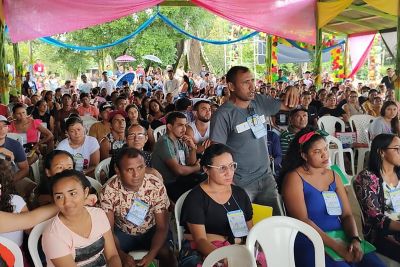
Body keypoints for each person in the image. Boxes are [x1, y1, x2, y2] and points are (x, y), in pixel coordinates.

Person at [280, 128, 385, 267]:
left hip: (340, 236)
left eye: (325, 149)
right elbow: (303, 221)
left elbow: (347, 215)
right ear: (304, 156)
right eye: (317, 152)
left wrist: (354, 239)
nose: (325, 155)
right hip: (309, 240)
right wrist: (338, 248)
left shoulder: (334, 175)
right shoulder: (294, 178)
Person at [210, 66, 298, 213]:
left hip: (266, 177)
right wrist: (229, 184)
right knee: (245, 229)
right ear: (231, 86)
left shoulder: (259, 102)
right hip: (239, 182)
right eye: (246, 82)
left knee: (275, 223)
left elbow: (289, 105)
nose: (252, 86)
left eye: (253, 80)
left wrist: (292, 89)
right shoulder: (223, 115)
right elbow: (216, 153)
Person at [179, 144, 258, 267]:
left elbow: (250, 231)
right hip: (206, 249)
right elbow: (200, 240)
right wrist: (223, 257)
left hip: (236, 246)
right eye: (222, 168)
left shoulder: (239, 194)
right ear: (206, 169)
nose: (229, 172)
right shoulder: (196, 198)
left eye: (232, 166)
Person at [100, 147, 177, 267]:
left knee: (167, 254)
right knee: (110, 258)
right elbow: (108, 231)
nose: (136, 175)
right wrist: (120, 254)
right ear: (118, 170)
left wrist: (151, 254)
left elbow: (162, 226)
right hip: (123, 232)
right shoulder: (108, 190)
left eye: (140, 167)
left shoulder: (155, 185)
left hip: (152, 229)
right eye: (130, 170)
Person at [42, 169, 121, 267]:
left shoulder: (98, 215)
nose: (67, 202)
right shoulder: (53, 235)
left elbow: (112, 256)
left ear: (85, 192)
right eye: (59, 197)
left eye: (72, 193)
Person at [354, 133, 400, 262]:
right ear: (381, 152)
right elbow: (375, 218)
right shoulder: (367, 178)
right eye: (397, 149)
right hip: (382, 233)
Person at [152, 112, 201, 202]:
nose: (184, 129)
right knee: (198, 193)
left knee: (205, 180)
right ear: (170, 127)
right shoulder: (165, 142)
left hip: (180, 179)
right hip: (168, 184)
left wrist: (193, 148)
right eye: (180, 125)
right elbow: (179, 170)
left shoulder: (181, 140)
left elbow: (190, 164)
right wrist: (196, 168)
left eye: (185, 125)